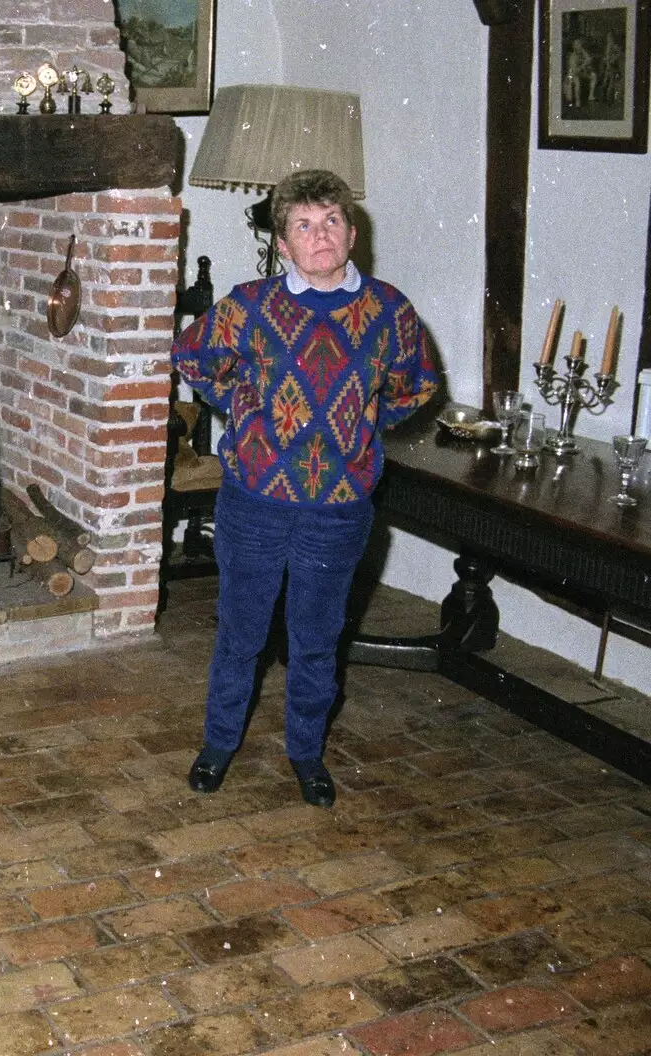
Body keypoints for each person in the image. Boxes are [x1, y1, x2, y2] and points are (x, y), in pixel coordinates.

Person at [171, 169, 437, 808]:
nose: (321, 236)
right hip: (256, 501)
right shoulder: (251, 303)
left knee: (317, 639)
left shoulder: (388, 310)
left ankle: (306, 754)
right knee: (241, 632)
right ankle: (218, 744)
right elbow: (192, 355)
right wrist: (243, 410)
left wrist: (365, 423)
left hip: (339, 510)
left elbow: (418, 383)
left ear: (352, 230)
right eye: (304, 225)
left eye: (332, 221)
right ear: (283, 245)